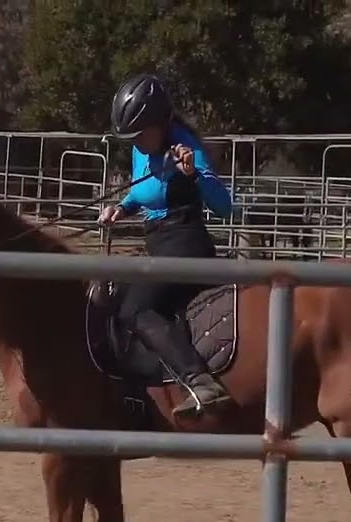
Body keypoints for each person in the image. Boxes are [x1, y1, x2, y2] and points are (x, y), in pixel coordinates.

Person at [99, 73, 235, 419]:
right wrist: (122, 208)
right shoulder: (139, 148)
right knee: (111, 296)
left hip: (187, 244)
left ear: (160, 122)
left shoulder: (185, 146)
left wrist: (193, 174)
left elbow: (225, 206)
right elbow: (141, 192)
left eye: (140, 134)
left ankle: (200, 380)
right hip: (157, 244)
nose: (136, 142)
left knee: (135, 309)